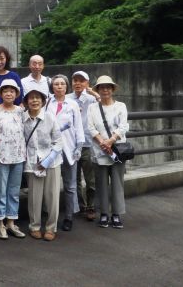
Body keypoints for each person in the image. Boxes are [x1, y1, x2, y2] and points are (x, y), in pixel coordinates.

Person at [87, 75, 129, 229]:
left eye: (108, 87)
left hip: (117, 150)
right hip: (100, 150)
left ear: (112, 89)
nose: (105, 89)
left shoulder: (121, 106)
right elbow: (91, 127)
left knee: (118, 183)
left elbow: (124, 126)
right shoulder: (92, 108)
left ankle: (116, 214)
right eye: (102, 87)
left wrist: (110, 141)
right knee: (101, 183)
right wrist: (102, 142)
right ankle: (104, 213)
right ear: (98, 89)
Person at [0, 78, 26, 240]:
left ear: (16, 94)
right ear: (1, 93)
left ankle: (11, 222)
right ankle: (0, 224)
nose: (9, 93)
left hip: (18, 156)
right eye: (5, 91)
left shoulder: (20, 111)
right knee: (1, 191)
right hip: (1, 156)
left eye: (12, 91)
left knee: (14, 191)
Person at [23, 87, 63, 241]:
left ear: (43, 101)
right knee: (34, 196)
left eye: (37, 98)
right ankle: (34, 226)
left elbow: (58, 141)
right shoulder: (23, 118)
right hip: (33, 162)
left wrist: (49, 159)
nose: (34, 100)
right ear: (26, 102)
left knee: (52, 196)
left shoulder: (50, 117)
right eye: (31, 98)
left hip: (51, 162)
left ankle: (51, 227)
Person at [47, 75, 84, 232]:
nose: (59, 86)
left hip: (69, 149)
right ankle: (51, 216)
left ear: (66, 86)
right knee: (51, 187)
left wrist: (79, 147)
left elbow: (79, 127)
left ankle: (69, 216)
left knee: (70, 186)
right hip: (51, 150)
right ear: (52, 87)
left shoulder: (73, 104)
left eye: (62, 84)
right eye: (56, 84)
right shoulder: (47, 102)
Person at [67, 70, 99, 221]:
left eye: (82, 81)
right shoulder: (67, 99)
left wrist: (93, 92)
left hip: (87, 143)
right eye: (75, 80)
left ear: (87, 83)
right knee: (75, 179)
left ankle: (91, 205)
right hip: (71, 144)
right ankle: (81, 205)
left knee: (90, 178)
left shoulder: (92, 99)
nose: (78, 83)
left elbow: (103, 104)